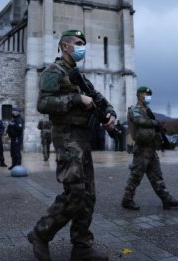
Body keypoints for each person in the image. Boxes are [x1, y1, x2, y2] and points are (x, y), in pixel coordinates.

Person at [27, 29, 116, 261]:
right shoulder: (53, 71)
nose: (82, 46)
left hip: (83, 138)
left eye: (84, 43)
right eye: (78, 43)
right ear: (64, 46)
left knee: (88, 195)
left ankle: (82, 247)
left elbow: (99, 99)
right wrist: (76, 99)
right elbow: (43, 103)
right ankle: (40, 233)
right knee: (76, 191)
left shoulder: (79, 76)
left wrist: (110, 113)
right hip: (66, 136)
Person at [121, 86, 178, 211]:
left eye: (149, 95)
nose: (148, 97)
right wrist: (155, 123)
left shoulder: (147, 110)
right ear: (139, 95)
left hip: (151, 148)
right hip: (141, 148)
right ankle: (127, 200)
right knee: (136, 175)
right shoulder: (135, 109)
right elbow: (138, 120)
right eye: (146, 95)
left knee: (157, 175)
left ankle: (166, 199)